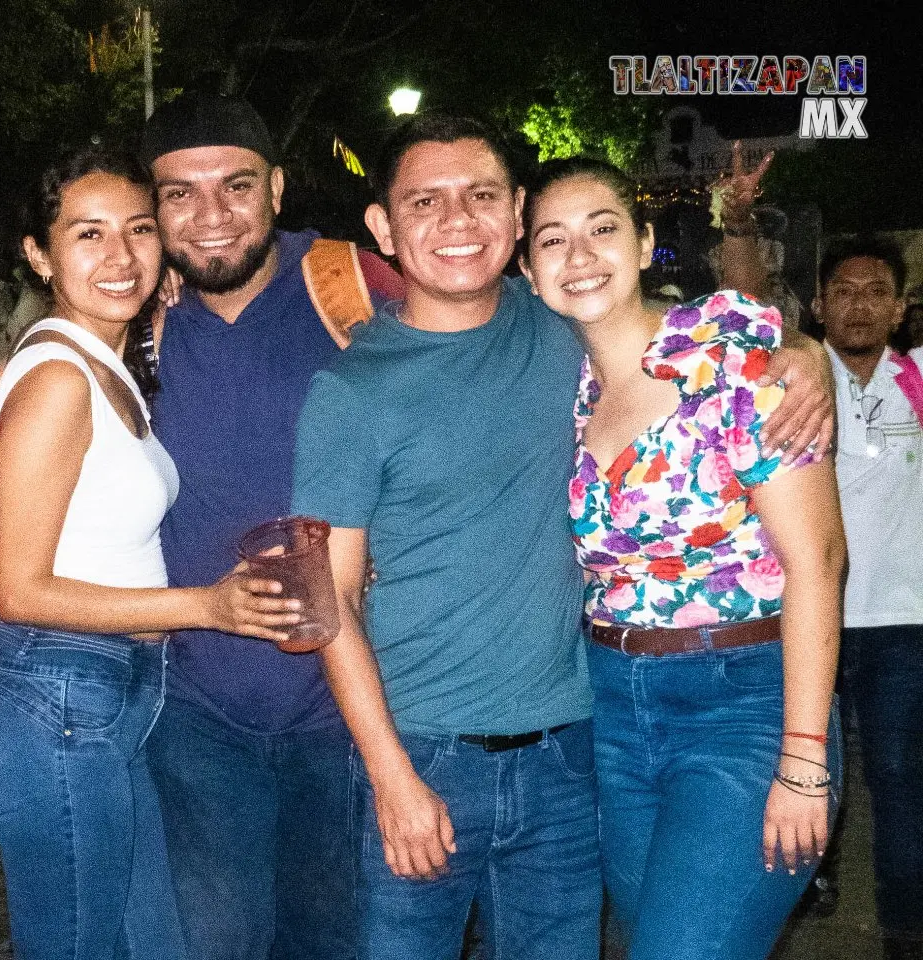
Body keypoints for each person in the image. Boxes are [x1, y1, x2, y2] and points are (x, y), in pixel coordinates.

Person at [290, 114, 834, 960]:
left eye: (480, 196)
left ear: (510, 219)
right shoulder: (360, 389)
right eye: (424, 201)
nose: (457, 220)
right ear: (383, 229)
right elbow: (330, 595)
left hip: (588, 741)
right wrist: (392, 778)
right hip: (444, 747)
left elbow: (812, 540)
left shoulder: (587, 335)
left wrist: (802, 353)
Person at [0, 146, 300, 960]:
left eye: (139, 231)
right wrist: (205, 606)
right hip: (57, 694)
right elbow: (22, 590)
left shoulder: (104, 362)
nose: (120, 256)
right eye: (88, 235)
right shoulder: (59, 381)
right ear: (39, 255)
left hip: (108, 695)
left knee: (154, 944)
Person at [519, 155, 845, 960]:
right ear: (528, 272)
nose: (581, 255)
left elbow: (821, 561)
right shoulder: (563, 386)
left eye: (603, 229)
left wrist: (803, 759)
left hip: (747, 705)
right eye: (553, 241)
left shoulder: (733, 367)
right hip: (614, 714)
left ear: (645, 242)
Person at [136, 90, 403, 960]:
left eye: (237, 186)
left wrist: (772, 344)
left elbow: (513, 336)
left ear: (278, 188)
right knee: (221, 943)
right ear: (154, 209)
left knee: (333, 940)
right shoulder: (137, 313)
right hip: (199, 711)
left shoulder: (352, 283)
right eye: (180, 194)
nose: (211, 216)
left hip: (350, 707)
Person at [813, 237, 923, 960]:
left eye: (876, 290)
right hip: (805, 621)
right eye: (845, 290)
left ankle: (905, 931)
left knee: (901, 783)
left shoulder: (915, 381)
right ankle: (801, 887)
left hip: (901, 624)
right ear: (818, 304)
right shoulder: (795, 372)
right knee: (806, 778)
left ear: (900, 307)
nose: (859, 303)